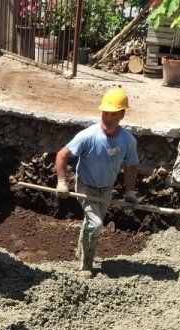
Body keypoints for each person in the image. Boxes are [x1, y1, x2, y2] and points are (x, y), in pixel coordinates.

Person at [55, 87, 140, 278]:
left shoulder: (128, 140)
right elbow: (62, 155)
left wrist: (130, 193)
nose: (108, 117)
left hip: (107, 189)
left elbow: (131, 166)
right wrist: (62, 181)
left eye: (113, 113)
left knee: (91, 223)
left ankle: (80, 251)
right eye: (105, 112)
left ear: (122, 115)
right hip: (86, 186)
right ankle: (86, 265)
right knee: (95, 224)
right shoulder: (89, 136)